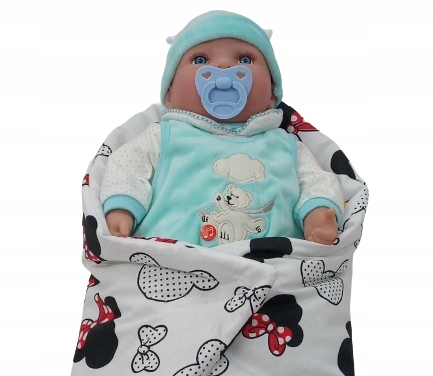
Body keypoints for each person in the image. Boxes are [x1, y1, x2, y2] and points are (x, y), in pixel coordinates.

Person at [100, 10, 344, 246]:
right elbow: (126, 166)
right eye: (200, 60)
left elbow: (317, 179)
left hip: (271, 265)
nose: (224, 66)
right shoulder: (163, 136)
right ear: (170, 95)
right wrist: (123, 206)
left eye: (245, 60)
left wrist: (316, 212)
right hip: (172, 260)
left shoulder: (286, 144)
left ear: (272, 95)